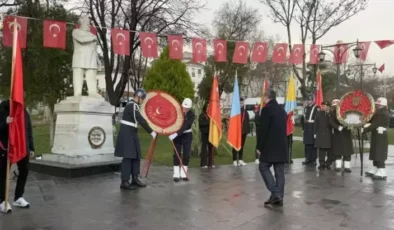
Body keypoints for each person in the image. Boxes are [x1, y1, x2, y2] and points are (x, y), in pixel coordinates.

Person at [114, 89, 157, 190]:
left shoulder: (134, 106)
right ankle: (124, 181)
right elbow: (140, 119)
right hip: (127, 134)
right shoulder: (132, 105)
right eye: (142, 99)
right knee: (128, 158)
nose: (143, 101)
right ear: (138, 97)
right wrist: (151, 132)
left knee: (136, 156)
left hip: (132, 133)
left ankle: (134, 178)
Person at [0, 100, 35, 213]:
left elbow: (28, 131)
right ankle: (2, 201)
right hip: (6, 147)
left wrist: (31, 148)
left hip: (22, 147)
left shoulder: (24, 111)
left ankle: (18, 197)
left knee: (24, 171)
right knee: (3, 174)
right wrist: (5, 122)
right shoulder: (2, 109)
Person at [256, 90, 287, 206]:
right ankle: (278, 198)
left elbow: (263, 130)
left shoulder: (267, 109)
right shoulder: (281, 109)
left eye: (263, 96)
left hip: (270, 146)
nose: (262, 99)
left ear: (266, 97)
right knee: (279, 172)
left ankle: (276, 193)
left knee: (263, 166)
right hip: (282, 145)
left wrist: (259, 146)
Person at [363, 97, 390, 180]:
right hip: (376, 134)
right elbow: (371, 121)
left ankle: (382, 171)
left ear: (383, 105)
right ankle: (376, 168)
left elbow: (375, 124)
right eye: (377, 104)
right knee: (375, 151)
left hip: (380, 135)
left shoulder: (383, 114)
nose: (377, 105)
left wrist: (365, 130)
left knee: (379, 152)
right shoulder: (378, 112)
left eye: (379, 104)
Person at [169, 98, 195, 182]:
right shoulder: (177, 112)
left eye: (187, 108)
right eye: (184, 107)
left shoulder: (192, 115)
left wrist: (176, 134)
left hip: (187, 135)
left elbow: (186, 126)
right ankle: (176, 174)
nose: (185, 109)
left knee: (186, 155)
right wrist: (170, 131)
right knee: (177, 154)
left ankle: (183, 173)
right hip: (177, 136)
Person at [329, 99, 353, 172]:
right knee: (338, 151)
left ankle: (347, 166)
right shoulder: (332, 113)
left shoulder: (346, 111)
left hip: (346, 133)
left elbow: (350, 119)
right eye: (334, 106)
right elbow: (331, 122)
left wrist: (350, 126)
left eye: (337, 105)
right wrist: (338, 127)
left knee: (347, 151)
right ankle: (338, 166)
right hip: (338, 133)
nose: (335, 107)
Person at [313, 101, 333, 170]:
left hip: (329, 135)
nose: (322, 107)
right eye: (322, 106)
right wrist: (315, 133)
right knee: (321, 150)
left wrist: (328, 114)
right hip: (320, 134)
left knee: (329, 150)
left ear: (328, 107)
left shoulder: (331, 114)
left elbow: (332, 123)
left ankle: (328, 163)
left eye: (324, 106)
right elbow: (316, 124)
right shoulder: (318, 113)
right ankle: (322, 163)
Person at [301, 94, 318, 166]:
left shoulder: (316, 107)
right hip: (307, 128)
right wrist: (303, 128)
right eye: (308, 100)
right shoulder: (306, 108)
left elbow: (317, 120)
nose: (308, 101)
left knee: (313, 145)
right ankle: (307, 158)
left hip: (313, 127)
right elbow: (303, 119)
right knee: (307, 145)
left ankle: (313, 160)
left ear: (313, 100)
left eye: (310, 100)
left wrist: (316, 130)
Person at [232, 97, 250, 166]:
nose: (241, 104)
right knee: (235, 145)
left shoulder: (245, 112)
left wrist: (247, 131)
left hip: (243, 131)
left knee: (242, 145)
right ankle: (234, 160)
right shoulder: (235, 111)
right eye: (240, 102)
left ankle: (240, 159)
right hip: (236, 131)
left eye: (242, 103)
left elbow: (247, 122)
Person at [199, 103, 214, 168]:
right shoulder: (202, 115)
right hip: (204, 134)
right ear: (205, 107)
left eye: (209, 107)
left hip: (210, 134)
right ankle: (203, 164)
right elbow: (201, 124)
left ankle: (211, 163)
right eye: (207, 107)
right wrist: (209, 122)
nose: (208, 108)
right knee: (204, 149)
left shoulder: (210, 115)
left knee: (211, 149)